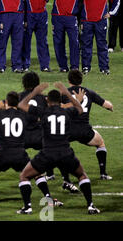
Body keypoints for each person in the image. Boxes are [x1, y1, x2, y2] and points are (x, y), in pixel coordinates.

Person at [0, 71, 79, 194]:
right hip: (39, 136)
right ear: (37, 84)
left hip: (21, 137)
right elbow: (63, 108)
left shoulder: (18, 97)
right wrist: (77, 101)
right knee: (57, 150)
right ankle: (67, 181)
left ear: (23, 83)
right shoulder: (45, 99)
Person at [17, 82, 101, 215]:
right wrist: (66, 92)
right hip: (66, 153)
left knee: (24, 176)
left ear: (47, 101)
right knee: (81, 175)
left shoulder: (43, 112)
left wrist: (35, 92)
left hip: (47, 154)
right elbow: (80, 109)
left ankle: (27, 207)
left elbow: (21, 105)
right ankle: (90, 206)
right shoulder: (67, 112)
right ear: (61, 100)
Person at [62, 70, 114, 180]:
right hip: (84, 130)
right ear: (81, 80)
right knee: (100, 143)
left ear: (68, 81)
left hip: (67, 131)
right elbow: (107, 105)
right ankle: (103, 173)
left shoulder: (64, 93)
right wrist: (110, 107)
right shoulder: (89, 92)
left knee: (53, 146)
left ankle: (55, 176)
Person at [79, 0, 120, 75]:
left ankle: (104, 68)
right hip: (87, 21)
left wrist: (111, 13)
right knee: (86, 45)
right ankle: (86, 67)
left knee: (102, 45)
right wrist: (81, 20)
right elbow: (78, 2)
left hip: (101, 21)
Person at [22, 0, 52, 72]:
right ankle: (25, 65)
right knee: (26, 41)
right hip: (29, 15)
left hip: (42, 15)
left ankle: (44, 65)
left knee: (43, 41)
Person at [51, 0, 81, 73]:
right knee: (59, 42)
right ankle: (63, 66)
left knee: (74, 42)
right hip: (57, 17)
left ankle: (74, 66)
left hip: (71, 18)